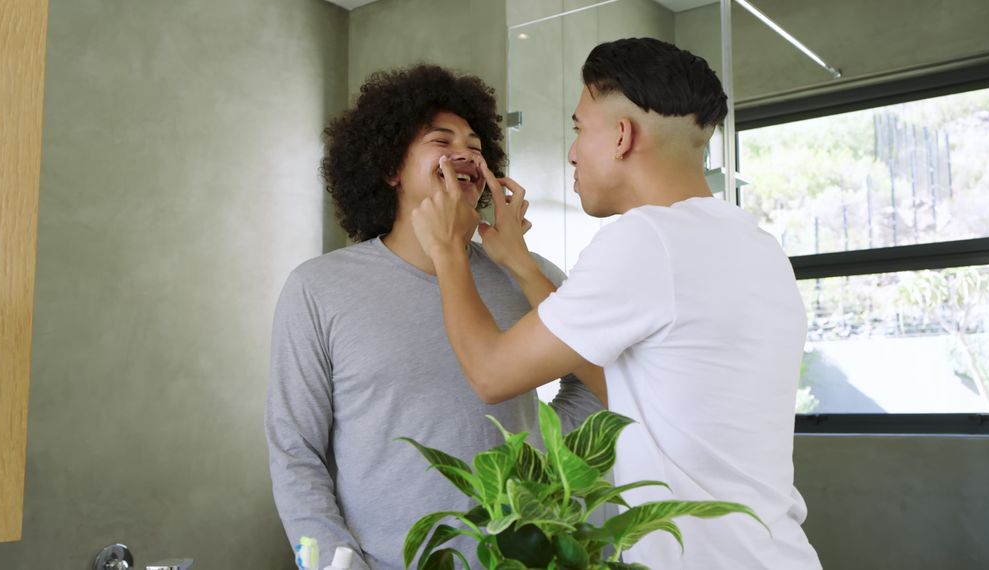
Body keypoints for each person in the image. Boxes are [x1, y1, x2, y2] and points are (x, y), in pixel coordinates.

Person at [410, 38, 822, 568]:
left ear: (622, 136)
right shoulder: (754, 246)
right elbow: (627, 395)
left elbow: (491, 374)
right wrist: (520, 265)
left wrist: (446, 250)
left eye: (580, 128)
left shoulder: (647, 240)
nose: (573, 151)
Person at [264, 64, 603, 570]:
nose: (465, 153)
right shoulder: (318, 289)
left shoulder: (527, 274)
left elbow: (600, 381)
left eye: (474, 142)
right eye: (441, 140)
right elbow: (295, 449)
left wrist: (538, 441)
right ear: (389, 168)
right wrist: (335, 561)